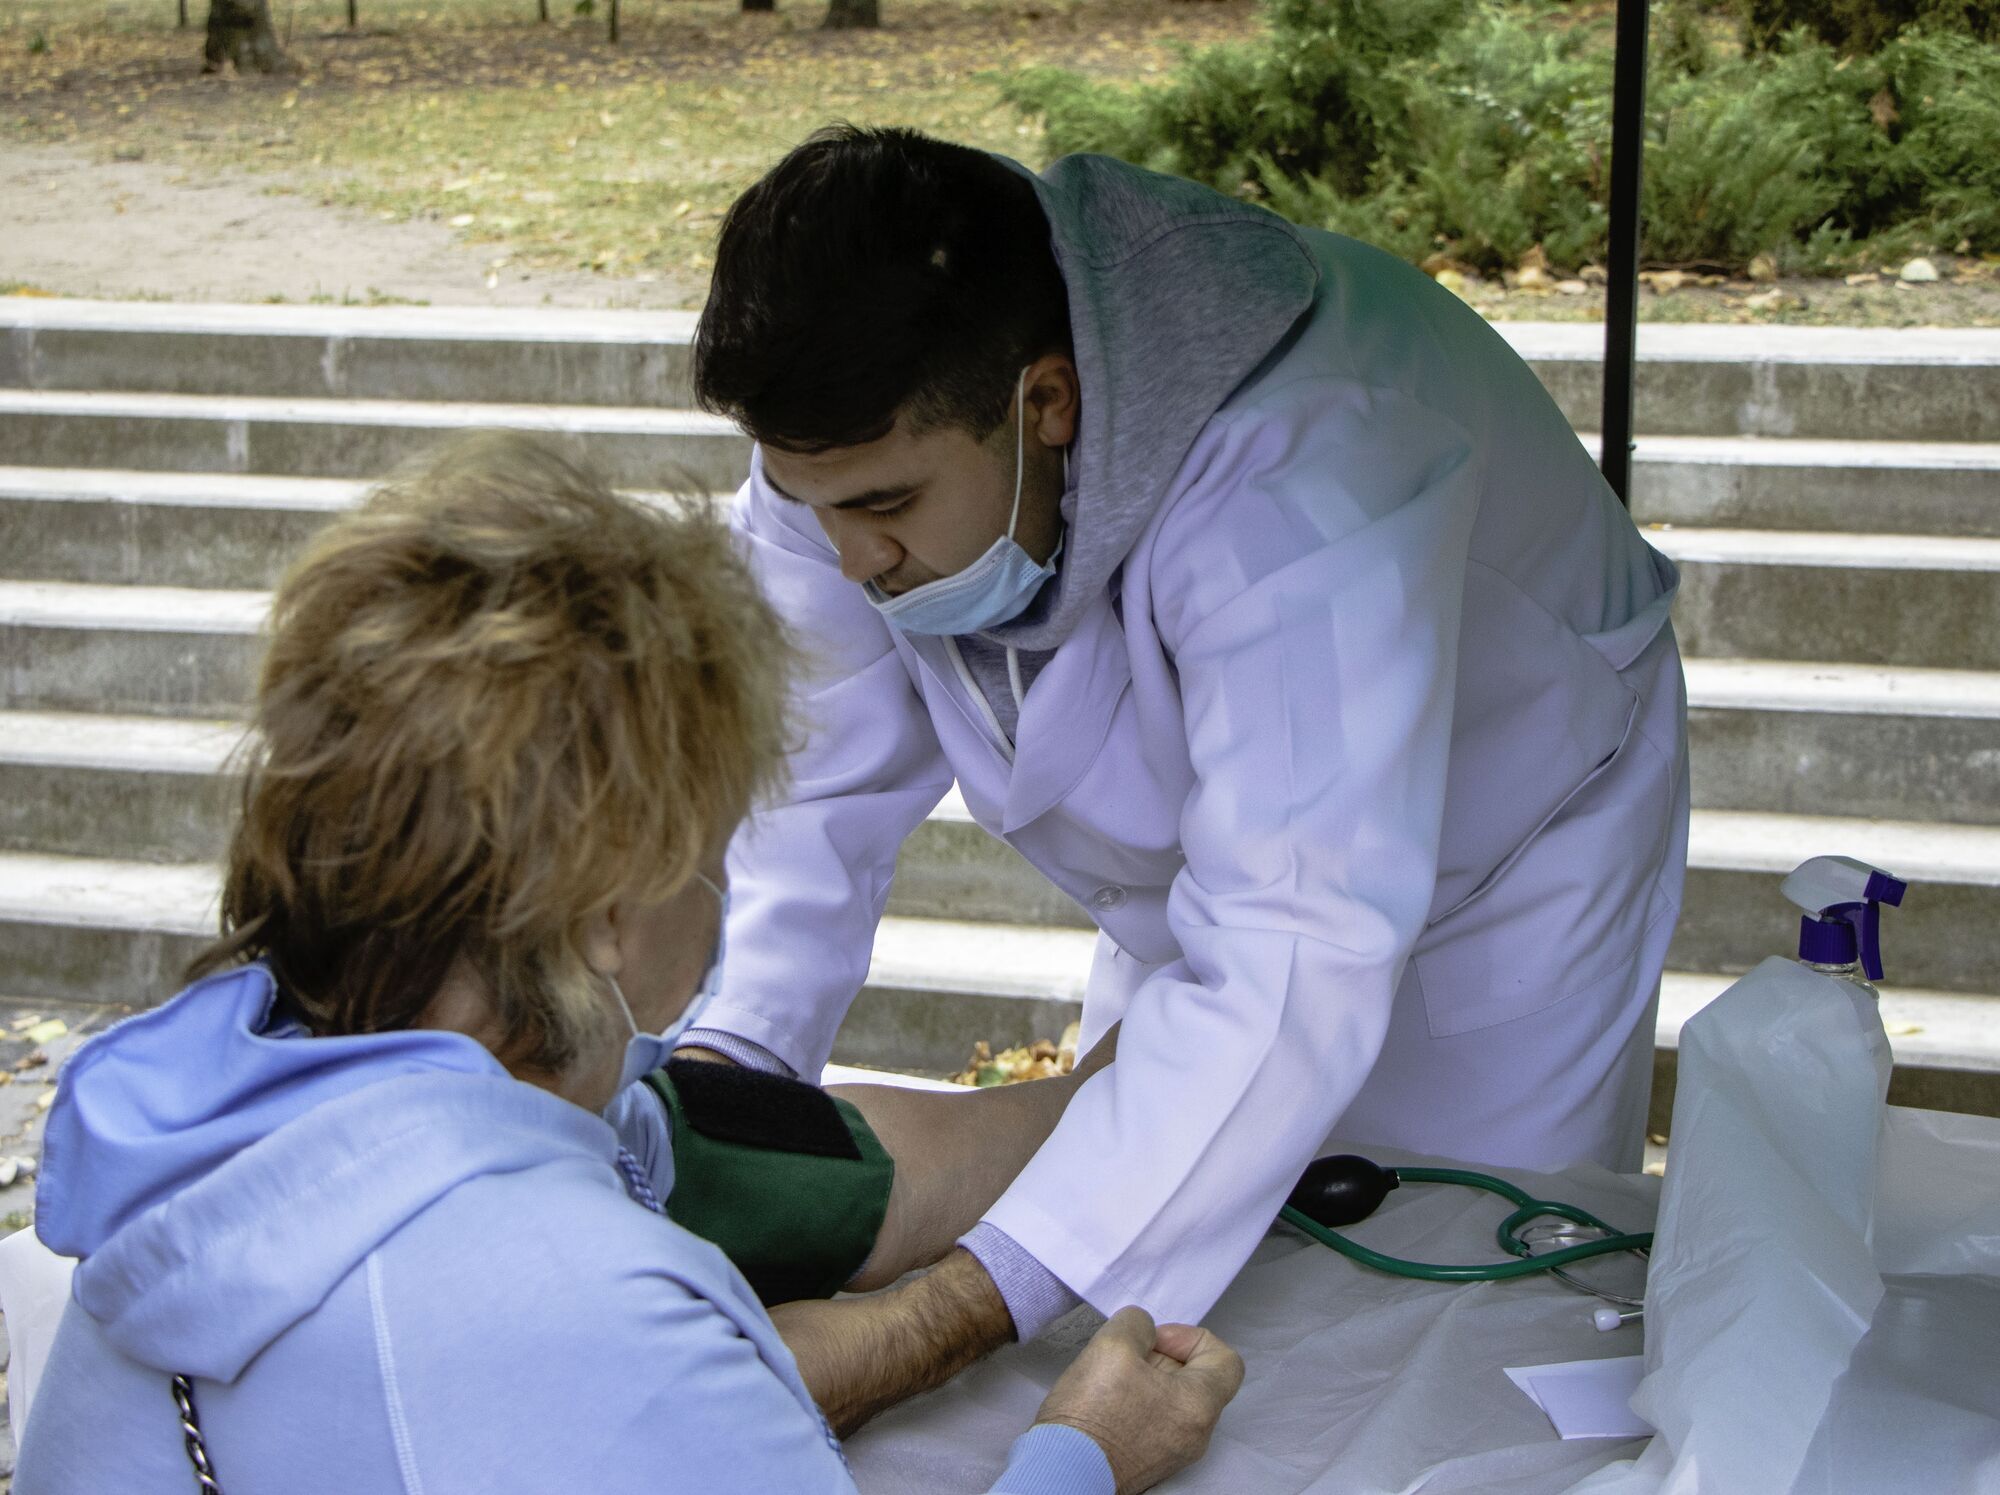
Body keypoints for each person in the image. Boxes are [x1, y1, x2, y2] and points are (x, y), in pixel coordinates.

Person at [12, 433, 1242, 1495]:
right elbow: (596, 1348)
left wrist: (1123, 1093)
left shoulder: (224, 1109)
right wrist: (1083, 1449)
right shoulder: (584, 1305)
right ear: (608, 910)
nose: (717, 897)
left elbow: (779, 1154)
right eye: (711, 850)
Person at [680, 125, 1690, 1366]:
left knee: (1453, 1310)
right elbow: (802, 788)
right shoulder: (859, 435)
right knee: (1144, 1271)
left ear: (1044, 401)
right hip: (1213, 901)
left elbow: (1287, 944)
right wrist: (722, 1089)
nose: (850, 560)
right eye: (811, 505)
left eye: (885, 508)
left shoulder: (1301, 465)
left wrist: (934, 1321)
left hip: (1501, 873)